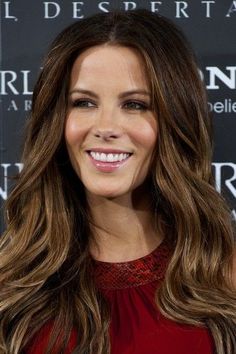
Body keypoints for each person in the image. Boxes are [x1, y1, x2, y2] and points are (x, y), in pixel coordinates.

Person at [0, 9, 235, 354]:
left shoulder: (225, 276)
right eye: (83, 102)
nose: (106, 126)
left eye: (135, 104)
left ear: (176, 119)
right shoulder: (11, 284)